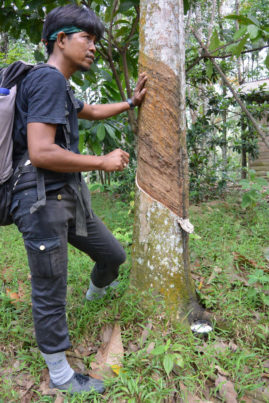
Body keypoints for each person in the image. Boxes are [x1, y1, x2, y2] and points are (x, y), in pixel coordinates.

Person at [10, 4, 147, 395]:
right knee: (50, 287)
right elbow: (41, 151)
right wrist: (101, 161)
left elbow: (90, 111)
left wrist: (130, 104)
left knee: (112, 255)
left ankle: (92, 299)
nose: (92, 47)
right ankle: (61, 375)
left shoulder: (60, 86)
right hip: (40, 200)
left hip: (64, 195)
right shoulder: (47, 80)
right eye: (86, 38)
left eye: (96, 40)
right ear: (61, 40)